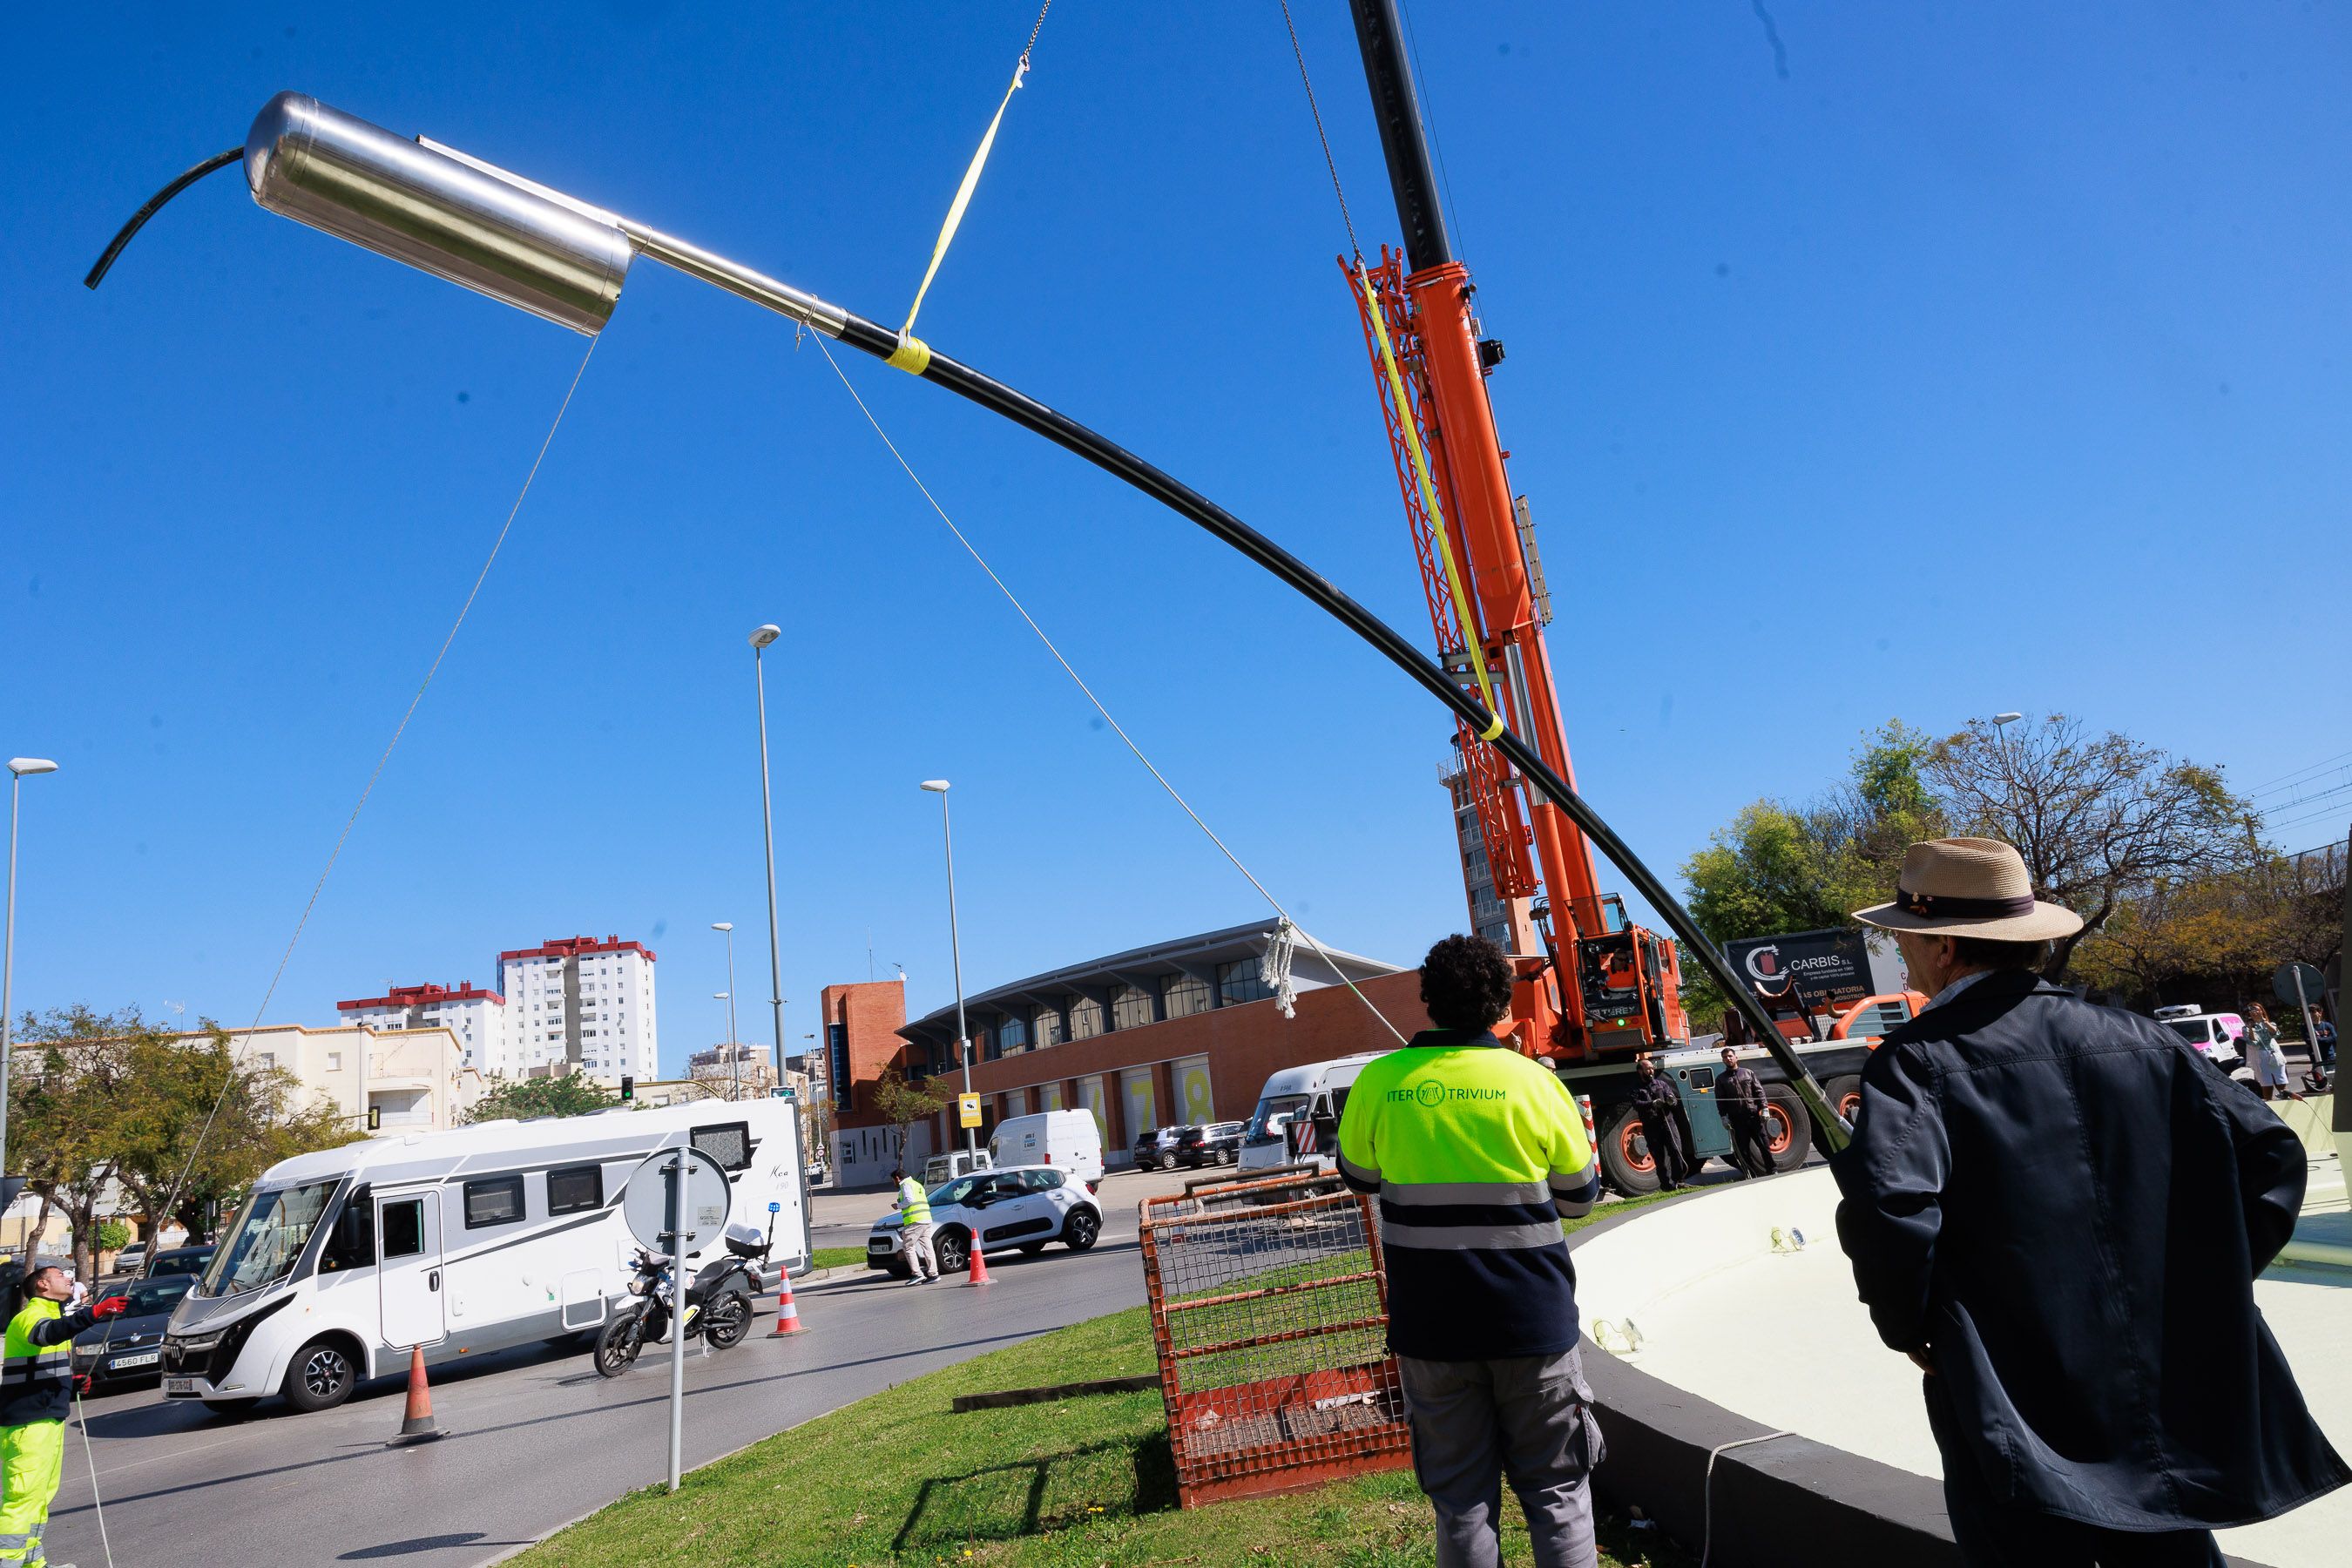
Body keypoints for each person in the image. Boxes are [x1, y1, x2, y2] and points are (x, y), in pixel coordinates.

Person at [1835, 836, 2348, 1567]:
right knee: (2171, 1547)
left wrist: (1913, 1330)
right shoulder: (2143, 1039)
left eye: (1906, 938)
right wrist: (2206, 1281)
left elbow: (1890, 1209)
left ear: (1945, 946)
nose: (1904, 953)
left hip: (2007, 1390)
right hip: (2159, 1374)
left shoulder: (1916, 1061)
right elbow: (2272, 1156)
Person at [1336, 934, 1605, 1568]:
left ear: (1428, 998)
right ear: (1499, 1001)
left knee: (1461, 1503)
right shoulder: (1534, 1082)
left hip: (1431, 1331)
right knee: (1558, 1492)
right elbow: (1580, 1197)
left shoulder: (1379, 1081)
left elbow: (1359, 1175)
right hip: (1534, 1324)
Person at [3, 1257, 126, 1565]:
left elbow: (37, 1369)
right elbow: (46, 1333)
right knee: (22, 1500)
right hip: (28, 1425)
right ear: (42, 1284)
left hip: (46, 1420)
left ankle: (34, 1564)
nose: (68, 1278)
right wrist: (93, 1313)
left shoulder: (51, 1317)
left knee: (39, 1500)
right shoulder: (30, 1316)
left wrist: (70, 1385)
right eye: (60, 1274)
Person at [1629, 1054, 1688, 1191]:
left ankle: (1679, 1180)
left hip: (1668, 1123)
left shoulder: (1661, 1084)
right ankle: (1666, 1185)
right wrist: (1652, 1103)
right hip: (1651, 1126)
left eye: (1652, 1068)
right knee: (1659, 1157)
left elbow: (1672, 1097)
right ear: (1640, 1071)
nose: (1651, 1071)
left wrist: (1671, 1100)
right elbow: (1636, 1104)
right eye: (1647, 1069)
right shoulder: (1636, 1089)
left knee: (1676, 1150)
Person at [1717, 1047, 1774, 1179]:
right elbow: (1720, 1101)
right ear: (1723, 1060)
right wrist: (1723, 1117)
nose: (1728, 1059)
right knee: (1743, 1150)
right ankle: (1751, 1175)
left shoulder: (1748, 1073)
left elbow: (1759, 1091)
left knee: (1764, 1145)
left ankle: (1773, 1169)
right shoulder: (1721, 1079)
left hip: (1753, 1116)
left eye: (1730, 1056)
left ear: (1736, 1058)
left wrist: (1764, 1108)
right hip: (1737, 1119)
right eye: (1725, 1057)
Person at [889, 1166, 939, 1286]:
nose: (894, 1183)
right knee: (927, 1247)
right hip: (926, 1219)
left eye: (893, 1181)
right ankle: (934, 1274)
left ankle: (917, 1274)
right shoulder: (917, 1184)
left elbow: (909, 1200)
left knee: (908, 1246)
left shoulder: (906, 1185)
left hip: (914, 1221)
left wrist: (898, 1205)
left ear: (897, 1178)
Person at [2245, 1004, 2294, 1102]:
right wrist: (2251, 1028)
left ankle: (2285, 1100)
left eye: (2256, 1010)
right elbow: (2254, 1042)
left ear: (2262, 1011)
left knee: (2281, 1081)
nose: (2254, 1012)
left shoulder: (2270, 1023)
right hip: (2260, 1056)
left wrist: (2263, 1021)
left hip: (2274, 1055)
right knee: (2266, 1083)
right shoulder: (2246, 1028)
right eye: (2251, 1011)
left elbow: (2275, 1033)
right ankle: (2269, 1103)